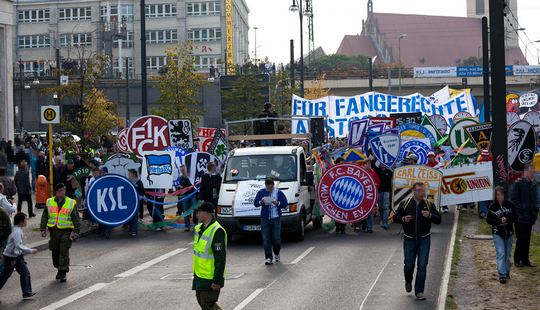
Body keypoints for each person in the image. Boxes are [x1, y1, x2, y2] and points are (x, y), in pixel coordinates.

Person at [394, 182, 442, 300]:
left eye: (423, 190)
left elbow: (439, 219)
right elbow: (395, 217)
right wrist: (403, 219)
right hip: (409, 239)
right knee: (408, 265)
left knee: (422, 266)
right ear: (413, 191)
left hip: (424, 239)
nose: (421, 193)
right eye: (419, 190)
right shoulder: (405, 204)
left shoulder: (428, 204)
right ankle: (408, 280)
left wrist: (430, 215)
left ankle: (419, 291)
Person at [40, 183, 81, 282]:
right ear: (56, 192)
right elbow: (45, 216)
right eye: (59, 191)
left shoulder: (71, 202)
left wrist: (76, 231)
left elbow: (76, 217)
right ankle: (59, 268)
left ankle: (62, 272)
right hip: (54, 231)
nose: (62, 192)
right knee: (55, 251)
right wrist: (43, 228)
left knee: (63, 251)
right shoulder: (49, 202)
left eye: (63, 190)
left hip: (66, 231)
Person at [192, 202, 227, 310]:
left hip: (210, 278)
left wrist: (217, 280)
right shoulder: (199, 229)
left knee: (207, 304)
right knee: (203, 303)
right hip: (200, 276)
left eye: (198, 212)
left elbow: (220, 259)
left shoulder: (217, 231)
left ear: (207, 213)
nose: (196, 215)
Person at [0, 213, 37, 300]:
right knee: (5, 275)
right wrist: (30, 250)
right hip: (10, 257)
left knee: (25, 273)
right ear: (21, 221)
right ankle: (27, 292)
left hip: (17, 256)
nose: (27, 221)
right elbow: (18, 245)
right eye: (26, 219)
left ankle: (27, 292)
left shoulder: (18, 229)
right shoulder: (17, 231)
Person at [254, 179, 288, 265]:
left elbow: (285, 204)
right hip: (265, 219)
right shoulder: (261, 192)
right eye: (267, 186)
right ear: (265, 185)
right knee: (266, 239)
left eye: (270, 186)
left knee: (276, 238)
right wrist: (260, 202)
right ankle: (268, 258)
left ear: (273, 185)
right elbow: (255, 203)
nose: (269, 188)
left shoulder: (278, 192)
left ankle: (277, 253)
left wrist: (278, 203)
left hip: (276, 218)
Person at [510, 165, 539, 268]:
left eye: (533, 172)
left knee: (527, 239)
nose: (533, 174)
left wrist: (534, 212)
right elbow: (514, 200)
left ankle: (525, 259)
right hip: (520, 217)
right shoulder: (518, 184)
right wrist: (522, 211)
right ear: (525, 172)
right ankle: (517, 259)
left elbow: (535, 199)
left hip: (530, 217)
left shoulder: (533, 184)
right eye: (531, 172)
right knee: (520, 238)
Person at [487, 186, 515, 283]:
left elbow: (515, 216)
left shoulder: (510, 205)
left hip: (509, 232)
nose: (500, 197)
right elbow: (489, 220)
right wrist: (499, 221)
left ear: (504, 195)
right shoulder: (492, 206)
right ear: (495, 196)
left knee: (507, 254)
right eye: (498, 195)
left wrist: (507, 219)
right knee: (501, 253)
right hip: (497, 233)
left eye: (502, 195)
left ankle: (507, 272)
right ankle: (502, 274)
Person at [374, 161, 393, 230]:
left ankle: (385, 222)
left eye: (384, 164)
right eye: (381, 164)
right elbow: (373, 164)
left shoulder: (389, 172)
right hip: (379, 191)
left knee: (385, 207)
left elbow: (395, 173)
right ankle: (382, 220)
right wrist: (373, 156)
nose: (383, 165)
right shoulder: (377, 171)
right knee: (381, 207)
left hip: (387, 191)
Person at [178, 165, 197, 232]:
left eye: (183, 170)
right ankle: (187, 226)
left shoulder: (191, 177)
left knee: (195, 209)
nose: (182, 171)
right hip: (185, 195)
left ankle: (196, 224)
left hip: (192, 194)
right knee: (186, 211)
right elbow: (182, 185)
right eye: (181, 170)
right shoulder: (181, 178)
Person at [333, 158, 347, 234]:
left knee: (344, 211)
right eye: (341, 163)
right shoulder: (333, 171)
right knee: (337, 212)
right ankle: (337, 225)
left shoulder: (347, 171)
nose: (342, 164)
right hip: (336, 195)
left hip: (345, 196)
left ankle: (343, 227)